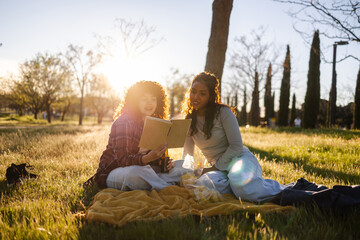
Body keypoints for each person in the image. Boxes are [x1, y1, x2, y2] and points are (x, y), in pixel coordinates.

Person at [182, 72, 287, 203]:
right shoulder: (189, 121)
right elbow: (187, 156)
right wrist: (186, 172)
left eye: (202, 93)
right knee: (203, 186)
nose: (196, 97)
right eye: (193, 91)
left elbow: (236, 146)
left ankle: (288, 190)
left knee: (242, 188)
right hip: (219, 169)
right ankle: (248, 187)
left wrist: (214, 168)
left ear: (210, 97)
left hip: (240, 160)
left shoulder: (223, 113)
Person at [89, 80, 188, 191]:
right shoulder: (124, 122)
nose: (149, 103)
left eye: (153, 99)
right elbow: (122, 160)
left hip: (146, 170)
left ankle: (157, 182)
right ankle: (168, 188)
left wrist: (163, 162)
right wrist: (147, 158)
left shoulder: (156, 123)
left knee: (183, 165)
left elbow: (152, 159)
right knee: (136, 173)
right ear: (135, 101)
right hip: (116, 172)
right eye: (144, 99)